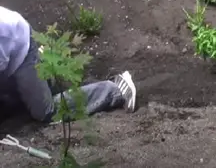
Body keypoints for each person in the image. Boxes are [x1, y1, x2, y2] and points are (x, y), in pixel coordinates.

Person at [0, 6, 136, 123]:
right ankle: (44, 72)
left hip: (20, 45)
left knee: (45, 111)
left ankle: (113, 90)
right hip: (7, 50)